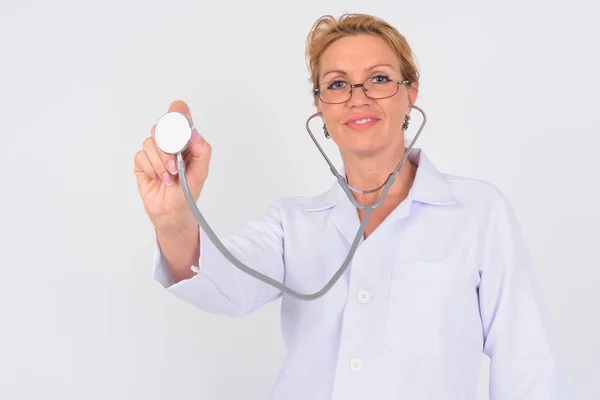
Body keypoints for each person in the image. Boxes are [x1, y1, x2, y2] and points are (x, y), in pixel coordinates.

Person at [134, 13, 567, 400]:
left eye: (378, 78)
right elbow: (223, 287)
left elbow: (527, 367)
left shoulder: (478, 212)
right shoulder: (293, 224)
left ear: (409, 92)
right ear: (320, 107)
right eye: (337, 84)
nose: (357, 97)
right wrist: (174, 219)